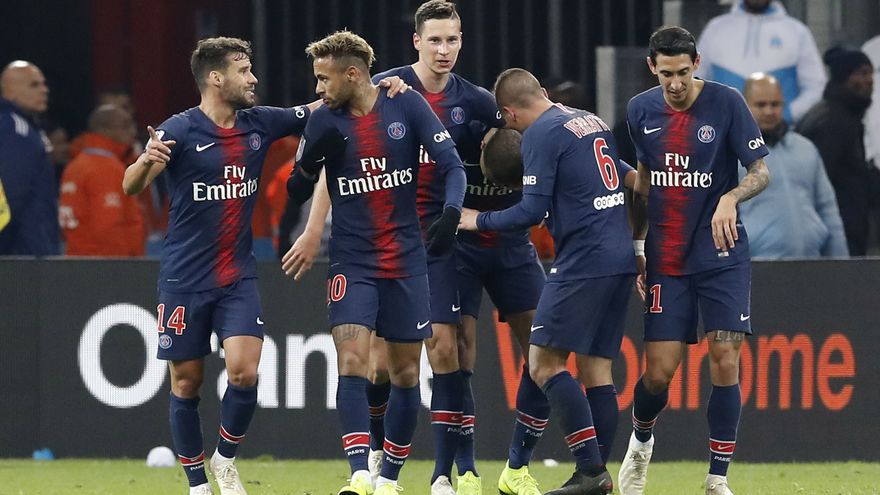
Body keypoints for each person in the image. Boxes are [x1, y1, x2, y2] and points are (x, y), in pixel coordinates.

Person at [121, 37, 317, 495]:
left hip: (237, 275)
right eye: (243, 70)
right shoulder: (179, 130)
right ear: (215, 78)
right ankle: (197, 485)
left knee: (245, 371)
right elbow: (130, 186)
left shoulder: (260, 123)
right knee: (186, 382)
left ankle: (224, 460)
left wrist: (385, 82)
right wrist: (147, 160)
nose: (253, 78)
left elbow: (318, 106)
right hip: (184, 278)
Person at [286, 30, 466, 495]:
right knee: (352, 360)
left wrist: (451, 212)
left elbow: (452, 165)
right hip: (352, 261)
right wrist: (309, 160)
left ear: (352, 74)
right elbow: (295, 190)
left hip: (406, 260)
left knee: (405, 372)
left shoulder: (404, 104)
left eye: (324, 79)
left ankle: (389, 477)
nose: (319, 89)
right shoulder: (324, 120)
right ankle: (359, 473)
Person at [459, 67, 638, 495]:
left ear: (508, 114)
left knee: (542, 363)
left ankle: (590, 471)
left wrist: (476, 219)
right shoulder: (589, 120)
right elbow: (632, 178)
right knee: (597, 370)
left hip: (583, 259)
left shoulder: (541, 133)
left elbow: (530, 211)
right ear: (541, 90)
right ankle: (596, 479)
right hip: (619, 255)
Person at [619, 27, 770, 495]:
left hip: (722, 251)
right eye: (666, 73)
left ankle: (717, 478)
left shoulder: (726, 103)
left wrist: (731, 197)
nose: (676, 83)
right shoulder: (640, 110)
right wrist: (638, 247)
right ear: (652, 67)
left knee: (725, 357)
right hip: (666, 255)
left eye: (683, 72)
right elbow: (645, 183)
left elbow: (760, 171)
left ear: (697, 63)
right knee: (659, 373)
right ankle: (641, 441)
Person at [739, 73, 848, 259]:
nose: (768, 111)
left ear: (783, 105)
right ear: (745, 106)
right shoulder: (731, 154)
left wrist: (841, 263)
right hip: (755, 266)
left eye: (775, 104)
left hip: (811, 263)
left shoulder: (806, 149)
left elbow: (828, 208)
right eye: (761, 104)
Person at [797, 46, 876, 256]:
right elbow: (821, 181)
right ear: (844, 78)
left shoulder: (841, 115)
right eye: (861, 73)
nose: (869, 80)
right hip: (839, 229)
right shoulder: (834, 122)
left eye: (870, 73)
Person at [695, 0, 825, 123]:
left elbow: (816, 86)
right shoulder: (716, 28)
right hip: (725, 131)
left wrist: (789, 114)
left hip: (779, 133)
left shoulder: (796, 31)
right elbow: (695, 81)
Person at [59, 104, 145, 256]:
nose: (133, 131)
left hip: (76, 259)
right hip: (105, 264)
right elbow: (108, 228)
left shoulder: (75, 165)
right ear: (105, 130)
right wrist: (126, 267)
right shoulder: (106, 168)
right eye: (125, 126)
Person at [0, 60, 60, 256]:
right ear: (10, 91)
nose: (44, 90)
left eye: (44, 84)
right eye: (34, 85)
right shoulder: (16, 130)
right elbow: (9, 196)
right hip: (23, 255)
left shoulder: (24, 127)